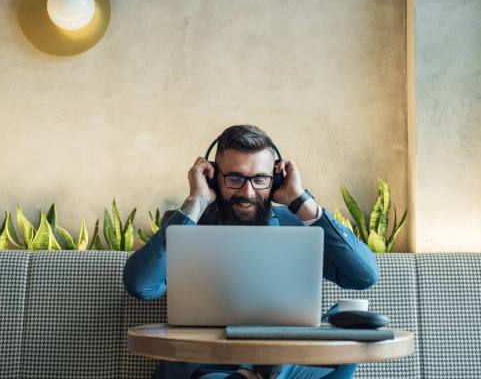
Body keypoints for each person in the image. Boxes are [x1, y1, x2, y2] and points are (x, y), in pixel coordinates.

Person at [123, 124, 380, 379]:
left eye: (260, 179)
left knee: (349, 323)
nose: (248, 192)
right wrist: (195, 202)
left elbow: (364, 275)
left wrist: (301, 201)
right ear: (213, 177)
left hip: (287, 365)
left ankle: (257, 371)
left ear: (276, 179)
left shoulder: (298, 226)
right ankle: (254, 372)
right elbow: (140, 285)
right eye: (235, 178)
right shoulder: (186, 224)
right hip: (209, 368)